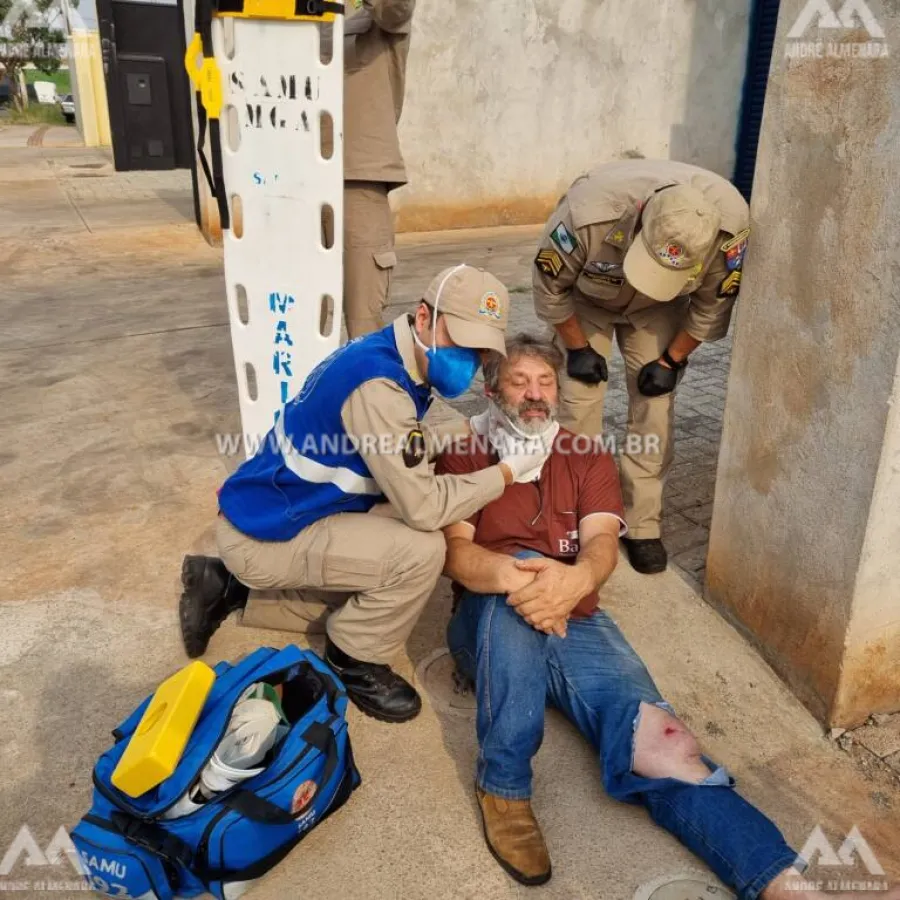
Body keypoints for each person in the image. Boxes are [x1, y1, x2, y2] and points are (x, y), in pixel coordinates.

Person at [435, 335, 886, 900]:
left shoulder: (586, 452)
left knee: (663, 744)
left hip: (577, 617)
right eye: (521, 382)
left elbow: (600, 548)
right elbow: (457, 554)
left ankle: (783, 882)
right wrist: (524, 574)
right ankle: (503, 785)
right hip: (486, 624)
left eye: (545, 382)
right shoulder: (464, 452)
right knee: (520, 575)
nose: (535, 395)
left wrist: (572, 580)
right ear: (492, 388)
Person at [179, 265, 553, 724]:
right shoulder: (378, 386)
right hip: (266, 535)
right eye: (460, 341)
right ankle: (354, 656)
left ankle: (230, 588)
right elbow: (425, 505)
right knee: (421, 552)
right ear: (423, 317)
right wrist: (508, 471)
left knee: (381, 574)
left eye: (479, 351)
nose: (469, 360)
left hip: (276, 511)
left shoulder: (386, 358)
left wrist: (467, 427)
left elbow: (400, 443)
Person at [532, 158, 751, 575]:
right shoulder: (587, 216)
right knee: (577, 407)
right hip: (586, 301)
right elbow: (550, 290)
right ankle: (575, 514)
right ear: (640, 223)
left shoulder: (728, 230)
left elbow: (710, 308)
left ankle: (642, 524)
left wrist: (671, 360)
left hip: (659, 307)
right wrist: (578, 348)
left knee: (654, 407)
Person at [333, 0, 416, 338]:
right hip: (293, 179)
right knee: (297, 314)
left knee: (362, 320)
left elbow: (396, 8)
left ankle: (363, 390)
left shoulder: (377, 16)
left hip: (358, 179)